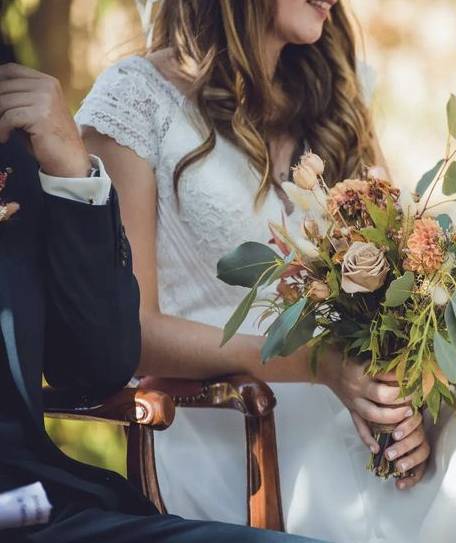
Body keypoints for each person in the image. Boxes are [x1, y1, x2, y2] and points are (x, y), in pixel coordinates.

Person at [77, 1, 456, 541]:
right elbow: (132, 332)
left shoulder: (332, 94)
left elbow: (391, 267)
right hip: (238, 429)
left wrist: (401, 399)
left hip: (357, 407)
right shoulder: (136, 101)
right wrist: (319, 366)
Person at [0, 49, 321, 542]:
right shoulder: (137, 94)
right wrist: (320, 363)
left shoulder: (15, 124)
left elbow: (97, 366)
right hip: (224, 431)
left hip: (42, 506)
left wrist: (70, 171)